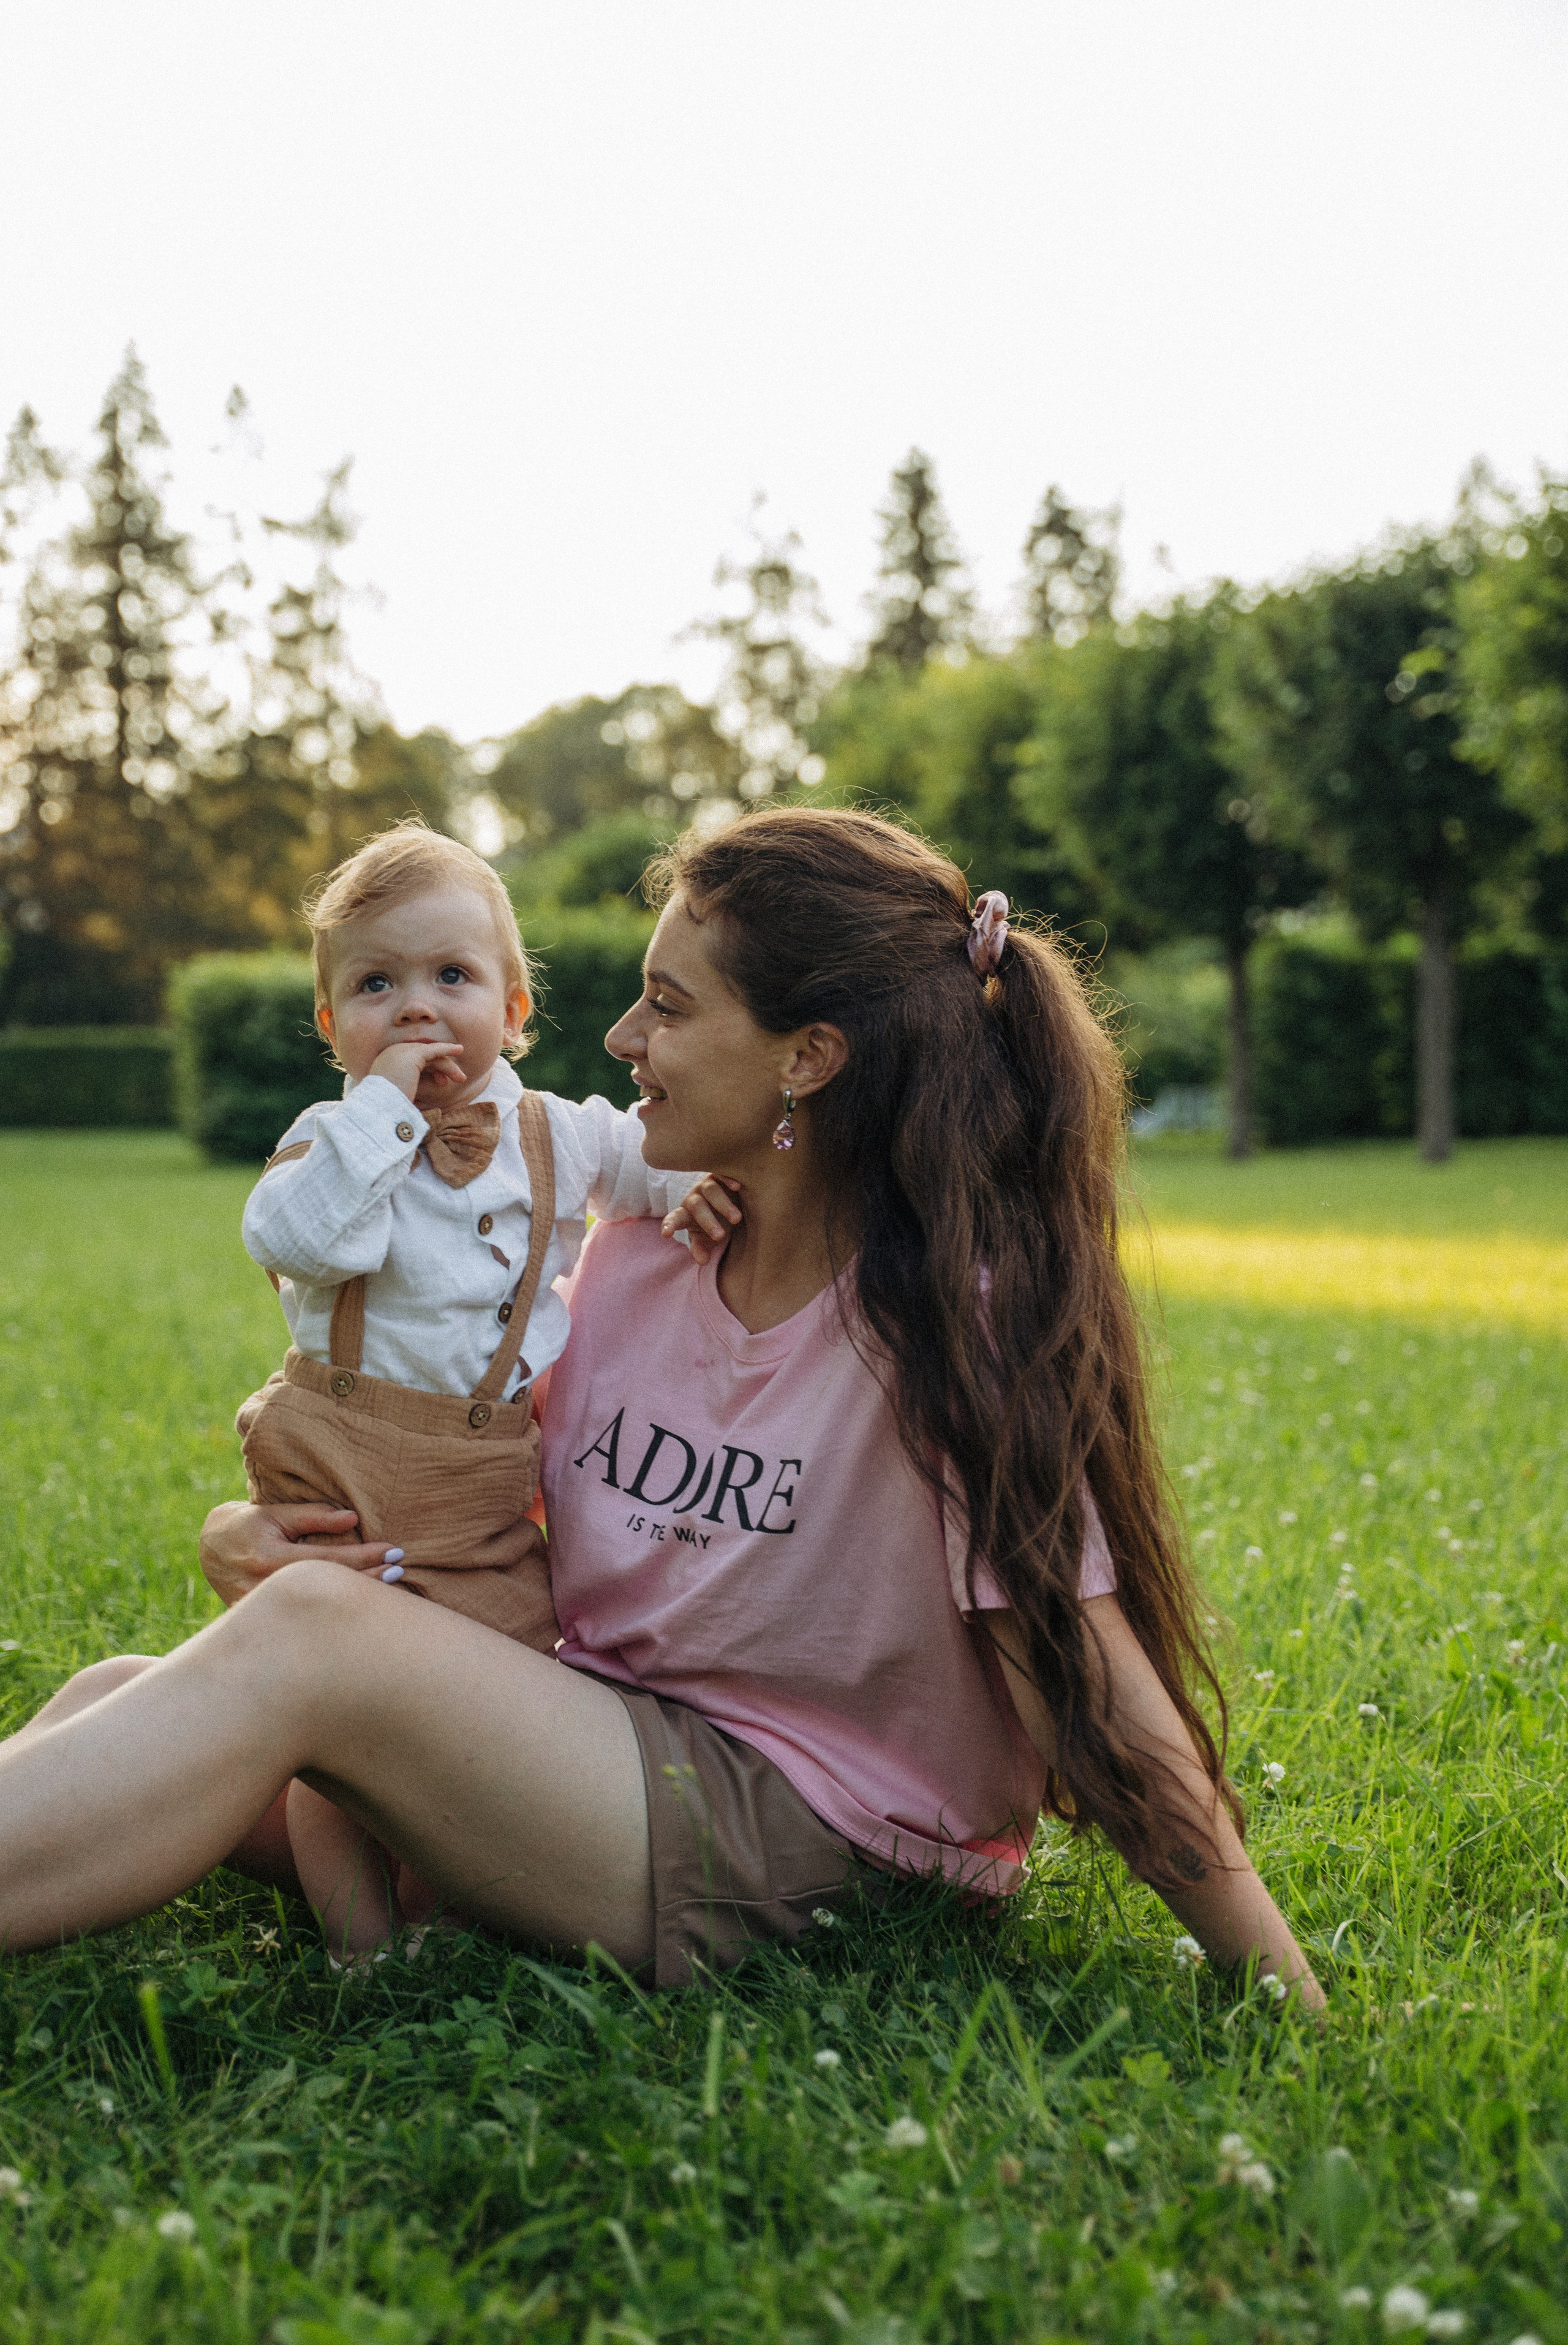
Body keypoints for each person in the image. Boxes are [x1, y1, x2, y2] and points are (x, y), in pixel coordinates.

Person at [0, 807, 1324, 2014]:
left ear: (808, 1057)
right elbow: (483, 1513)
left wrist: (1273, 1980)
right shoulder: (631, 1259)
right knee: (125, 1688)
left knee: (300, 1652)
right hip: (593, 1754)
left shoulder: (939, 1325)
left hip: (815, 1837)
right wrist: (264, 1537)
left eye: (666, 1007)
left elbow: (1080, 1666)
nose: (621, 1041)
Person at [236, 823, 731, 1956]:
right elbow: (300, 1240)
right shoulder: (332, 1140)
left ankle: (451, 1889)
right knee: (338, 1722)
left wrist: (696, 1187)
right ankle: (365, 1948)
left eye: (450, 977)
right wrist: (385, 1116)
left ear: (514, 1011)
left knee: (509, 1675)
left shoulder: (556, 1132)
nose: (416, 1008)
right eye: (376, 985)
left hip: (482, 1482)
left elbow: (659, 1159)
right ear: (331, 1030)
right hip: (345, 1465)